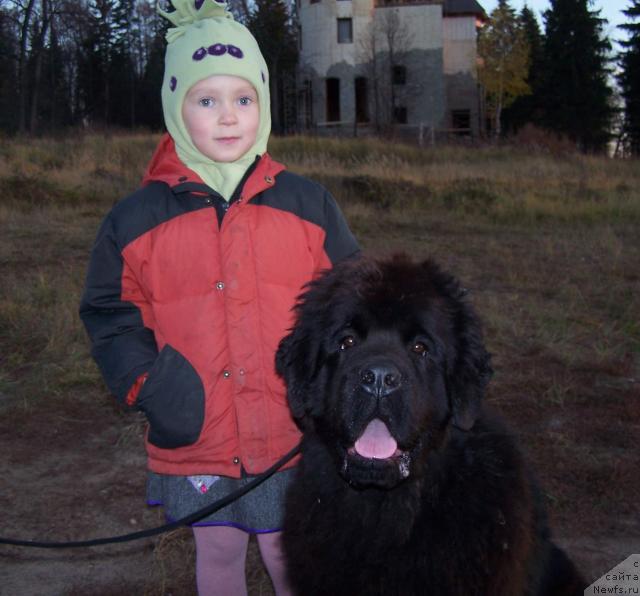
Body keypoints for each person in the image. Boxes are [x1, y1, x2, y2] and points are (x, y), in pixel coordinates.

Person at [79, 1, 359, 594]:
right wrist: (147, 384)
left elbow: (353, 307)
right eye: (207, 101)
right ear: (175, 109)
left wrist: (334, 389)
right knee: (220, 551)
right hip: (198, 431)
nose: (229, 117)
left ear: (263, 103)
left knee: (294, 555)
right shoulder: (135, 219)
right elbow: (111, 314)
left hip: (292, 429)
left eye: (244, 98)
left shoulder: (309, 206)